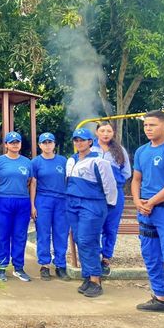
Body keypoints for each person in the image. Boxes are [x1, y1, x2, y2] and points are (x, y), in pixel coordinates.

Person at [66, 128, 117, 298]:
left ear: (90, 142)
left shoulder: (99, 162)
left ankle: (96, 279)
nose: (79, 143)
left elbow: (110, 186)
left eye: (82, 140)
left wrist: (108, 206)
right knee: (80, 239)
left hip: (92, 204)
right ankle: (87, 276)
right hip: (72, 204)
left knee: (88, 240)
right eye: (76, 140)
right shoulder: (71, 160)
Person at [132, 110, 164, 311]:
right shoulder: (141, 151)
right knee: (150, 255)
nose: (148, 129)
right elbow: (136, 179)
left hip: (162, 209)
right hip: (145, 211)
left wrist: (151, 202)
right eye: (145, 125)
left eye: (152, 125)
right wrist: (138, 201)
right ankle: (161, 298)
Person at [91, 121, 131, 276]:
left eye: (109, 131)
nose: (105, 134)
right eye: (102, 131)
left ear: (113, 133)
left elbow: (126, 173)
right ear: (97, 132)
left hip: (115, 194)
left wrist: (113, 183)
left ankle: (106, 258)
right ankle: (93, 257)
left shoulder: (120, 150)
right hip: (95, 194)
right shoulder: (90, 148)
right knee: (94, 225)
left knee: (110, 227)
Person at [0, 132, 33, 282]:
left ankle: (18, 267)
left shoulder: (27, 162)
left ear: (20, 144)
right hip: (3, 200)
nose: (15, 145)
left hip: (22, 201)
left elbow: (29, 181)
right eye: (12, 142)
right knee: (3, 234)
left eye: (17, 142)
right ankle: (1, 267)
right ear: (6, 145)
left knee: (20, 235)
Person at [30, 132, 70, 281]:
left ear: (54, 144)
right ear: (40, 145)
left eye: (50, 142)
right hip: (43, 200)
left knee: (61, 233)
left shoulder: (63, 161)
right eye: (44, 142)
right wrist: (32, 205)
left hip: (61, 200)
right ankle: (44, 265)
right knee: (43, 233)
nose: (47, 145)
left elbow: (68, 180)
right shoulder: (36, 162)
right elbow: (33, 184)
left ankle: (60, 265)